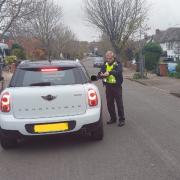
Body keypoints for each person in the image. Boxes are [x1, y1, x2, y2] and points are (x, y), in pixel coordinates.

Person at [98, 51, 125, 127]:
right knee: (109, 104)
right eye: (107, 58)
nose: (108, 60)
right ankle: (113, 118)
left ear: (113, 57)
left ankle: (122, 119)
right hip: (108, 87)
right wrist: (101, 74)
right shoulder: (105, 64)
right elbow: (100, 73)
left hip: (117, 87)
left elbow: (118, 72)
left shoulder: (118, 64)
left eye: (110, 58)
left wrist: (109, 72)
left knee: (119, 103)